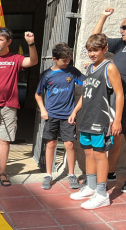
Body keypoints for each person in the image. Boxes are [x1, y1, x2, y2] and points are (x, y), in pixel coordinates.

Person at [0, 28, 38, 186]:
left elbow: (33, 61)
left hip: (10, 105)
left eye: (1, 40)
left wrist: (31, 44)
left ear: (9, 42)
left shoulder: (15, 59)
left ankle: (2, 173)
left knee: (5, 140)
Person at [68, 33, 124, 210]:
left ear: (105, 49)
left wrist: (117, 120)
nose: (92, 54)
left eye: (96, 50)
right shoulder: (90, 68)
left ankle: (101, 194)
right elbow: (87, 94)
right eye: (90, 50)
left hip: (101, 119)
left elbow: (120, 94)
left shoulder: (110, 68)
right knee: (89, 153)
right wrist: (75, 111)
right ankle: (91, 187)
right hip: (87, 117)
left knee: (100, 155)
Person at [35, 43, 85, 190]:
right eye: (64, 60)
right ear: (54, 59)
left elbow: (88, 86)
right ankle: (48, 175)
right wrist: (43, 110)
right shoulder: (47, 75)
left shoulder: (72, 72)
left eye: (69, 60)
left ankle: (71, 174)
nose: (67, 63)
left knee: (69, 144)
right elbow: (38, 94)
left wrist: (75, 111)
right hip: (51, 115)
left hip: (68, 116)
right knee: (51, 144)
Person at [92, 7, 126, 192]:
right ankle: (111, 172)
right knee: (115, 136)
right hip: (117, 99)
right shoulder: (121, 44)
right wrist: (103, 16)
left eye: (125, 27)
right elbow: (95, 38)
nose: (122, 31)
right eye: (121, 27)